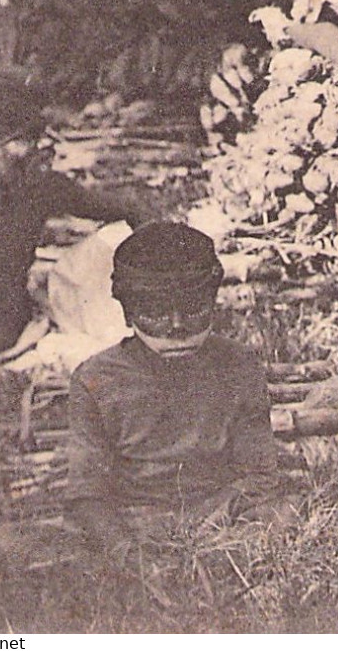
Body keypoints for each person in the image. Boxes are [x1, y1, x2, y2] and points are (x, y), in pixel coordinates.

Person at [65, 222, 290, 556]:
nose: (176, 324)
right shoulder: (96, 380)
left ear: (214, 303)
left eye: (192, 308)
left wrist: (206, 526)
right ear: (128, 313)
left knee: (286, 516)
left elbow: (259, 476)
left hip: (223, 515)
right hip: (133, 520)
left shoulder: (239, 366)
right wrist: (128, 551)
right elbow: (88, 494)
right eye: (155, 312)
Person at [0, 67, 150, 374]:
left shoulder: (39, 188)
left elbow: (128, 213)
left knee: (112, 243)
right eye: (23, 140)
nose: (36, 149)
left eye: (35, 138)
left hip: (28, 329)